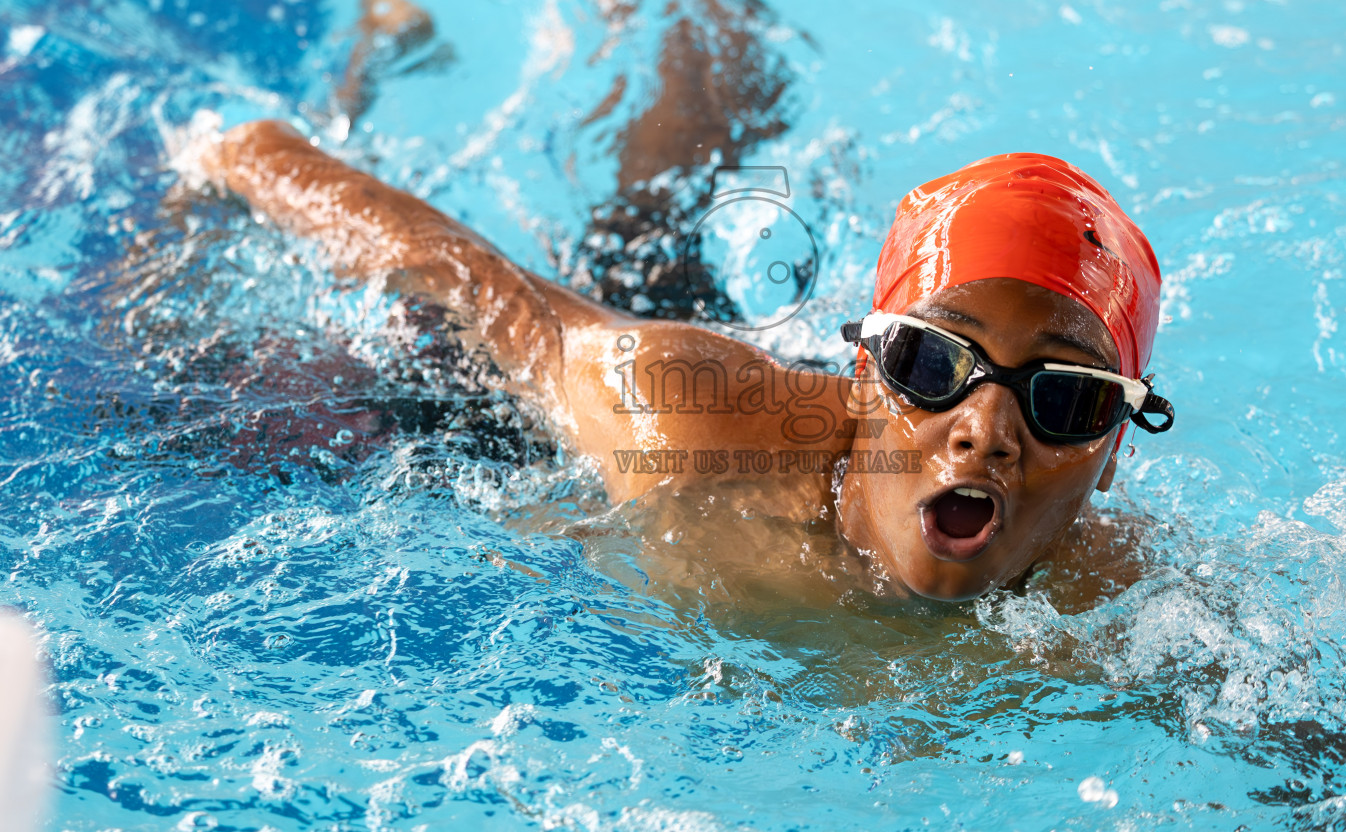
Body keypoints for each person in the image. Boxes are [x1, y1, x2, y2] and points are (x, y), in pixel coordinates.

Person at [178, 121, 1173, 604]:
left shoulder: (1114, 612)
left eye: (1065, 398)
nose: (987, 428)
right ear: (866, 371)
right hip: (512, 433)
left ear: (1116, 449)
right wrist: (248, 162)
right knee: (655, 201)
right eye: (930, 360)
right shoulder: (683, 428)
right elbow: (484, 291)